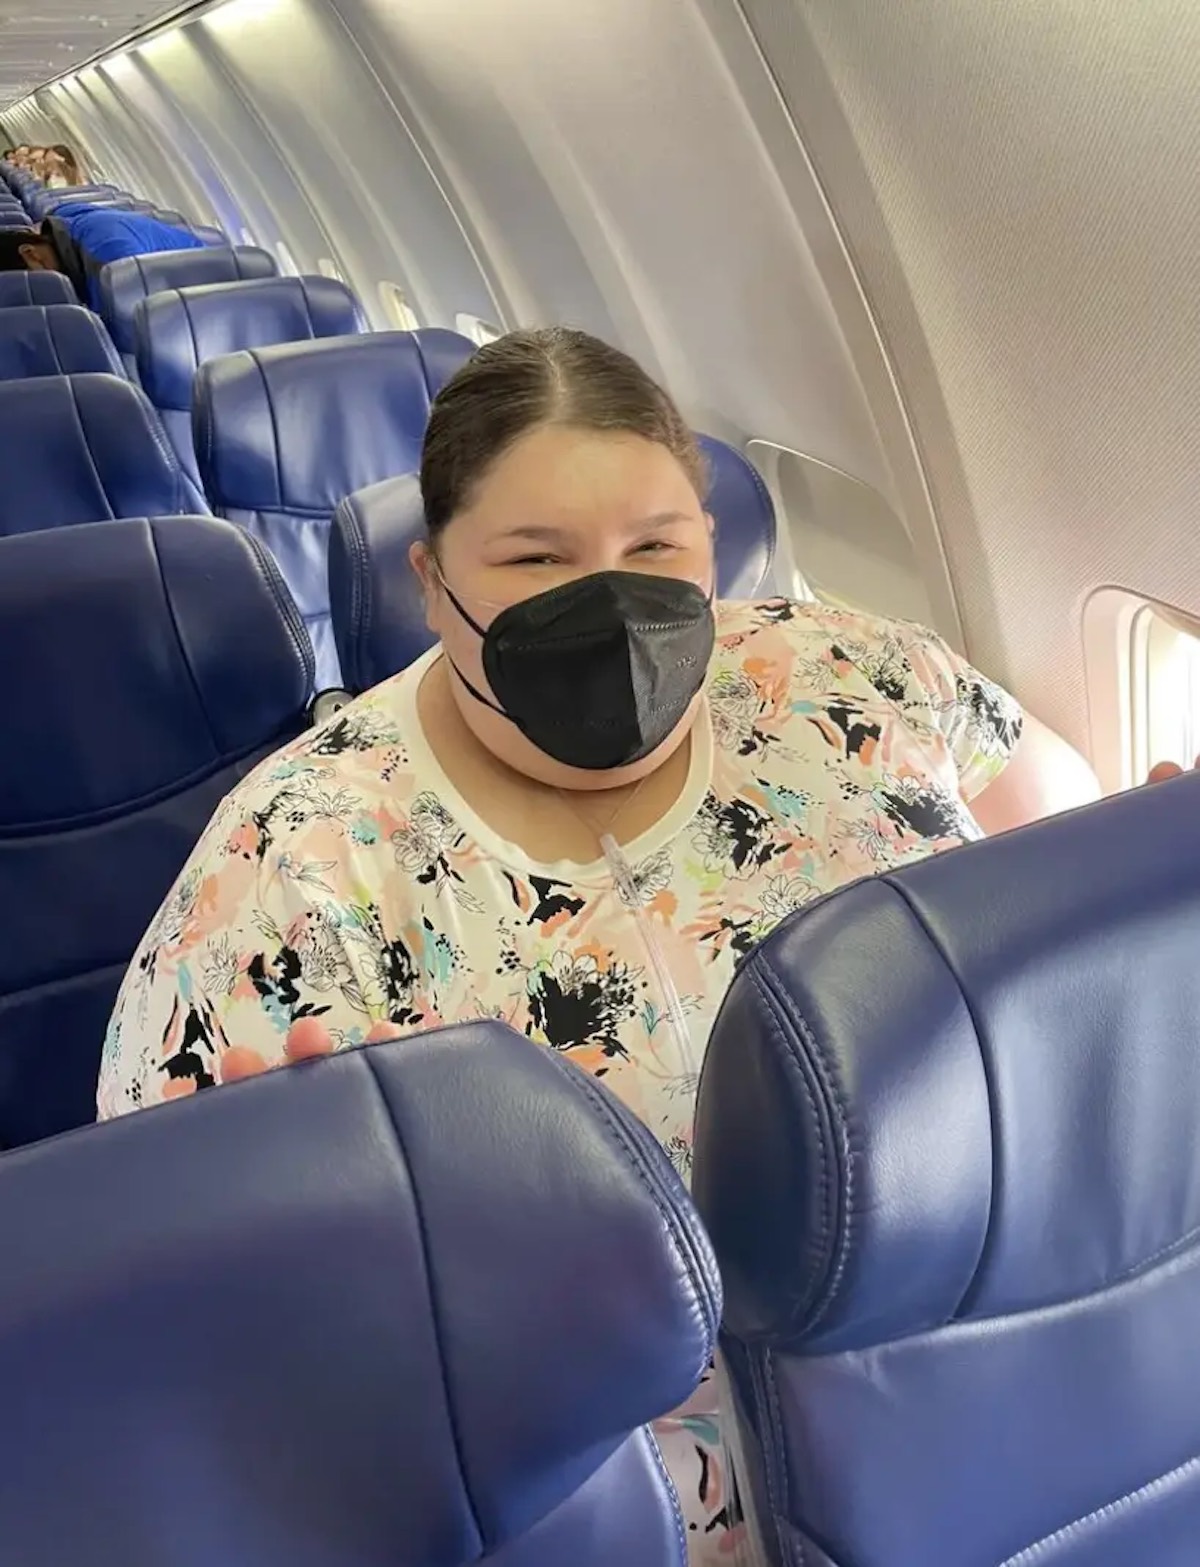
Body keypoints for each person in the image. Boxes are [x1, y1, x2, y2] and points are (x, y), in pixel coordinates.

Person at [97, 326, 1100, 1563]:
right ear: (430, 579)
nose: (611, 602)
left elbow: (1077, 885)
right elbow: (203, 1321)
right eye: (536, 558)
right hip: (603, 1501)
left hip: (978, 1408)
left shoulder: (859, 683)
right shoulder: (297, 873)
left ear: (713, 544)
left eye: (656, 547)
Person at [0, 204, 203, 309]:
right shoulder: (69, 224)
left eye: (31, 279)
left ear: (30, 252)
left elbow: (125, 331)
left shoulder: (108, 257)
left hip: (200, 292)